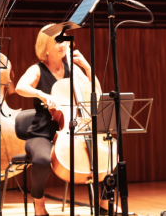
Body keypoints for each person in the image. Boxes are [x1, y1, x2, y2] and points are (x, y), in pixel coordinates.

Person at [15, 25, 100, 216]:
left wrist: (87, 67)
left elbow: (96, 92)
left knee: (106, 152)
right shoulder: (37, 69)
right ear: (45, 46)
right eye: (58, 41)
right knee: (43, 160)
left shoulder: (73, 69)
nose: (64, 44)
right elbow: (20, 86)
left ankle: (102, 203)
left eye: (65, 40)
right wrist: (41, 94)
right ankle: (39, 203)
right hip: (42, 132)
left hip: (72, 130)